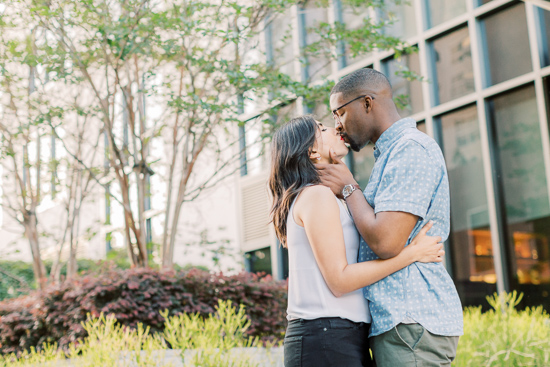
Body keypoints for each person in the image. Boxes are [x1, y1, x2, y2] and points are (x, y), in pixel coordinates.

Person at [268, 115, 446, 367]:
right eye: (322, 128)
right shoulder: (316, 196)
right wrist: (411, 254)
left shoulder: (331, 197)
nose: (334, 128)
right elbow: (340, 281)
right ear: (311, 150)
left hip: (339, 335)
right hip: (325, 336)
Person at [318, 68, 463, 366]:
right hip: (401, 323)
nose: (337, 125)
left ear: (367, 103)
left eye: (340, 113)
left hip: (411, 321)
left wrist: (349, 187)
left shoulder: (410, 150)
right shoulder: (391, 154)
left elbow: (386, 242)